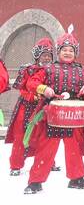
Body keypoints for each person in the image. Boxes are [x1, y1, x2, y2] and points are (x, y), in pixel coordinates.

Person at [24, 25, 84, 194]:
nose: (68, 53)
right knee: (45, 150)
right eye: (64, 50)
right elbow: (31, 83)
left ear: (75, 53)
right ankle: (35, 182)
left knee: (74, 149)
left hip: (73, 116)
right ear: (58, 51)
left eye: (71, 50)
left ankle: (76, 178)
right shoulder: (48, 69)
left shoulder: (82, 71)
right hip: (52, 115)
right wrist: (43, 89)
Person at [6, 38, 54, 176]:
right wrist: (33, 97)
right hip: (26, 107)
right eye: (44, 55)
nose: (46, 58)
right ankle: (15, 165)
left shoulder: (53, 70)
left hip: (44, 108)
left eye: (48, 55)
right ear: (37, 56)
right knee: (20, 136)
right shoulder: (28, 69)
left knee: (46, 136)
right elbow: (22, 88)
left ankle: (48, 162)